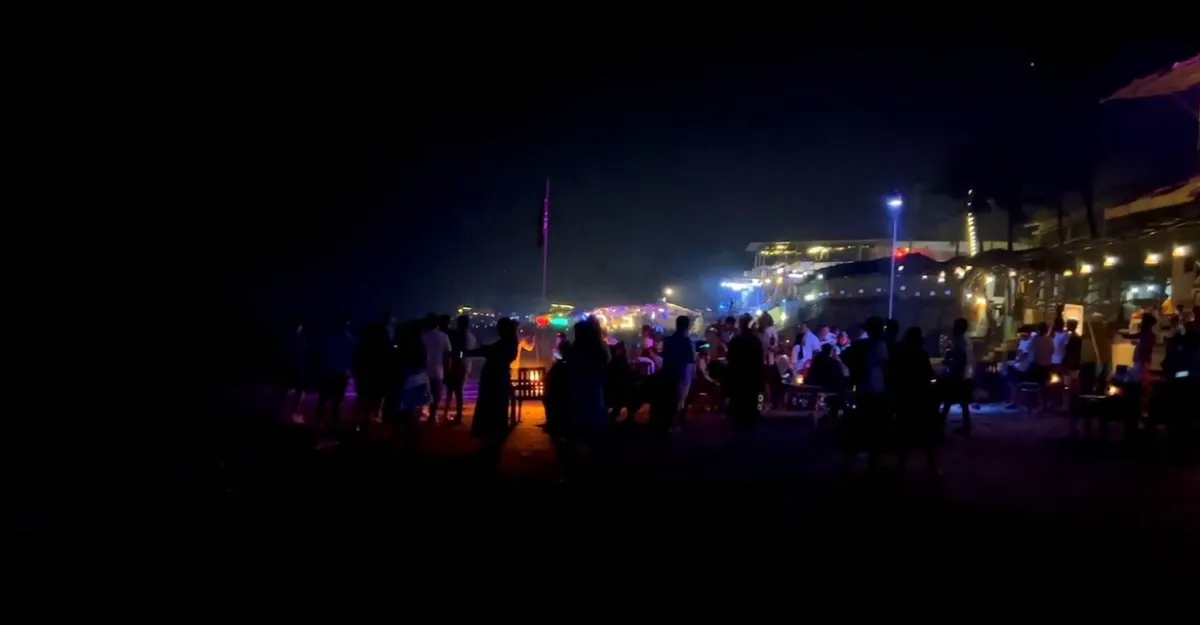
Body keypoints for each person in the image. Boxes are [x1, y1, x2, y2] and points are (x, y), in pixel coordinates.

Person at [468, 318, 519, 470]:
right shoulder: (509, 343)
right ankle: (492, 442)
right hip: (499, 379)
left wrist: (466, 352)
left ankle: (491, 442)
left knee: (491, 408)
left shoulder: (505, 344)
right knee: (496, 408)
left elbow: (487, 351)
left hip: (494, 380)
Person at [893, 327, 940, 474]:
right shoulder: (920, 353)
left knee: (905, 434)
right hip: (920, 397)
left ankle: (902, 465)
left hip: (905, 398)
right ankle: (931, 467)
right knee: (927, 435)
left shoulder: (901, 353)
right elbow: (927, 374)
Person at [726, 314, 765, 438]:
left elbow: (730, 359)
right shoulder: (755, 341)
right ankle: (751, 430)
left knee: (739, 403)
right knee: (752, 403)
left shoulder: (735, 341)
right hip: (752, 378)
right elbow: (759, 361)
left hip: (739, 377)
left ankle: (739, 430)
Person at [661, 315, 697, 430]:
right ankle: (674, 426)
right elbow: (690, 361)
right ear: (687, 327)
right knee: (679, 402)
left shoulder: (667, 341)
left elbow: (664, 357)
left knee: (668, 400)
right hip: (682, 375)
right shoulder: (688, 342)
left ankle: (667, 425)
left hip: (668, 373)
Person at [939, 317, 974, 435]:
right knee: (962, 402)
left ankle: (941, 423)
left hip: (959, 374)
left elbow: (959, 357)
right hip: (964, 374)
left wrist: (949, 363)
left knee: (949, 399)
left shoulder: (961, 340)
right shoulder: (965, 340)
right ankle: (966, 425)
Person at [443, 314, 477, 424]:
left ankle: (445, 413)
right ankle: (458, 416)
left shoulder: (454, 335)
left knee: (450, 391)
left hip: (454, 364)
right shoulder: (471, 337)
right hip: (463, 365)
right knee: (459, 392)